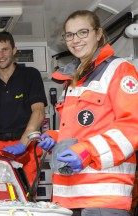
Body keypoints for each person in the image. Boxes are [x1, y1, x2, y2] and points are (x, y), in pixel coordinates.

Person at [38, 10, 138, 216]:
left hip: (103, 196)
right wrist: (55, 137)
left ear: (98, 33)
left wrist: (86, 152)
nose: (76, 40)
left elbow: (132, 127)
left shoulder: (119, 70)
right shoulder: (74, 81)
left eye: (83, 32)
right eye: (70, 35)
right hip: (69, 195)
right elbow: (83, 132)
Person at [0, 31, 47, 186]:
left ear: (14, 50)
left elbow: (39, 112)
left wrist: (22, 143)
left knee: (26, 195)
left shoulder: (30, 75)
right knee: (0, 196)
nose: (1, 55)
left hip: (27, 145)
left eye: (5, 49)